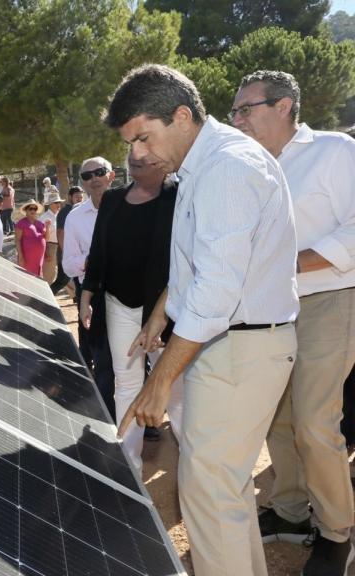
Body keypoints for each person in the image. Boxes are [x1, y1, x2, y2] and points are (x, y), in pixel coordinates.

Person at [108, 64, 299, 576]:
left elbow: (216, 290)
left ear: (183, 115)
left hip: (242, 348)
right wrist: (160, 313)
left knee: (208, 496)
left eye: (144, 137)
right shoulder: (202, 168)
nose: (138, 155)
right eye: (130, 143)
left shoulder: (228, 169)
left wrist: (160, 381)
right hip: (231, 348)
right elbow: (196, 263)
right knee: (223, 496)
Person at [230, 70, 355, 573]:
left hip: (331, 299)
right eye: (234, 111)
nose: (236, 119)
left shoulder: (334, 152)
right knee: (277, 417)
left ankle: (336, 531)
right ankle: (290, 512)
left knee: (313, 421)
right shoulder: (251, 166)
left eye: (245, 109)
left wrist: (294, 261)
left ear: (283, 106)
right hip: (273, 308)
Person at [78, 152, 183, 470]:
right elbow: (98, 249)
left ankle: (193, 466)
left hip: (166, 309)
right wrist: (87, 293)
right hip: (118, 304)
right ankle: (129, 466)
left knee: (176, 390)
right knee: (126, 384)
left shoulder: (179, 194)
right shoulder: (113, 199)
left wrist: (162, 310)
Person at [62, 158, 117, 418]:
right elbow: (69, 265)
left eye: (99, 172)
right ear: (82, 183)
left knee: (139, 362)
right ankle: (110, 422)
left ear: (111, 175)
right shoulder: (75, 218)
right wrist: (90, 261)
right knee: (104, 364)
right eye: (86, 176)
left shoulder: (131, 207)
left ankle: (145, 423)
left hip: (133, 296)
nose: (93, 178)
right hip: (95, 298)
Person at [52, 186, 84, 296]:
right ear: (70, 197)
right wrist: (66, 252)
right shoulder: (65, 211)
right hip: (66, 253)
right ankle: (44, 298)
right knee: (62, 280)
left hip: (77, 253)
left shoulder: (79, 210)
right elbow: (60, 232)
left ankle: (79, 300)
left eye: (81, 197)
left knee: (75, 280)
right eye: (77, 197)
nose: (79, 199)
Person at [14, 200, 46, 277]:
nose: (33, 210)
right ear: (26, 210)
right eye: (30, 209)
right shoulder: (21, 223)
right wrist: (20, 256)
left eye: (35, 209)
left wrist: (47, 227)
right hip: (27, 256)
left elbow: (45, 238)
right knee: (26, 277)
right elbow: (17, 240)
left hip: (39, 257)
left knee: (37, 277)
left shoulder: (40, 223)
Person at [39, 192, 62, 283]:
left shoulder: (59, 215)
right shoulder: (44, 218)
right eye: (56, 202)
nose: (59, 204)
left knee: (63, 275)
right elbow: (40, 237)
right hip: (50, 247)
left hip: (59, 246)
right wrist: (45, 252)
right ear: (50, 204)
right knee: (49, 275)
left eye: (59, 202)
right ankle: (45, 296)